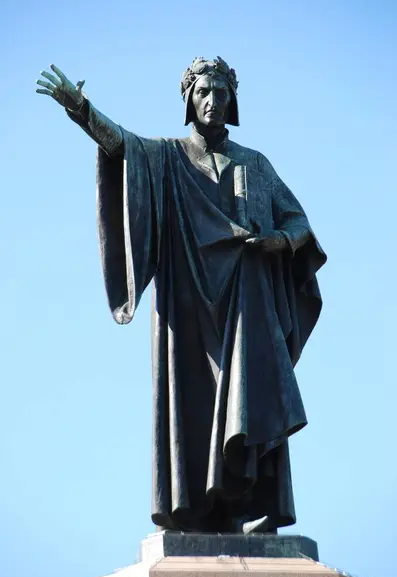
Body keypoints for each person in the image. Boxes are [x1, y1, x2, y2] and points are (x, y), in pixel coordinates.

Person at [36, 56, 326, 534]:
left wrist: (281, 240)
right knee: (189, 408)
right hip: (189, 307)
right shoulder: (169, 157)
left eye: (221, 92)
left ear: (232, 101)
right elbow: (123, 147)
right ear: (189, 101)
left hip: (246, 306)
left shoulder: (255, 163)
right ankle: (197, 512)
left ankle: (250, 508)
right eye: (203, 92)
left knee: (250, 400)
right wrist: (83, 110)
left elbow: (298, 222)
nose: (213, 100)